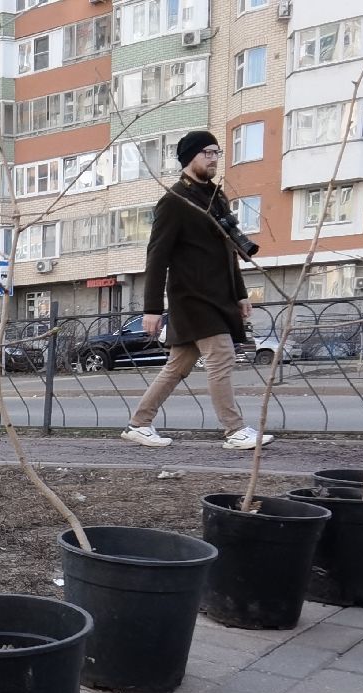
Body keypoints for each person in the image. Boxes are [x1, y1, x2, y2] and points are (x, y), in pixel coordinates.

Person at [121, 130, 274, 452]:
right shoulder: (174, 201)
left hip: (219, 296)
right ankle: (234, 431)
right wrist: (151, 309)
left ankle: (138, 424)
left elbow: (228, 249)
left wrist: (241, 293)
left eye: (217, 152)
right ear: (190, 156)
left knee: (178, 365)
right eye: (207, 152)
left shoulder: (216, 197)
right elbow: (157, 256)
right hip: (192, 298)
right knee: (221, 356)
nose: (214, 158)